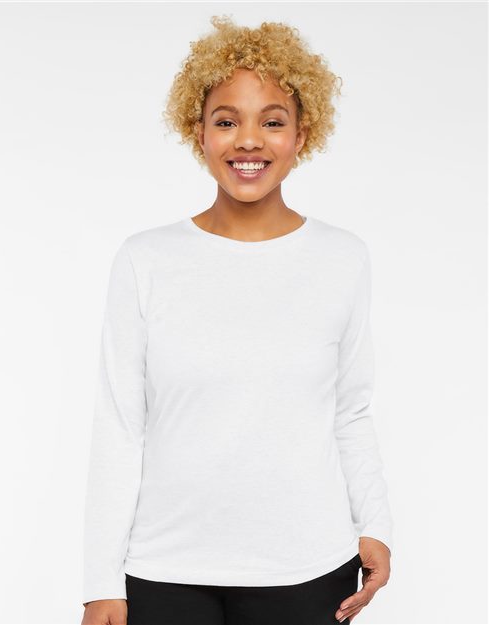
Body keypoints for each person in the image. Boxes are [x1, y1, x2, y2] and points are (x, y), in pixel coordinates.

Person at [81, 15, 393, 625]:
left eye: (272, 122)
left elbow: (350, 411)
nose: (248, 141)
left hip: (307, 568)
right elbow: (119, 426)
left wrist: (375, 524)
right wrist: (100, 583)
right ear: (198, 132)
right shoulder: (145, 260)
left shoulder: (342, 258)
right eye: (226, 121)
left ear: (302, 134)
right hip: (166, 570)